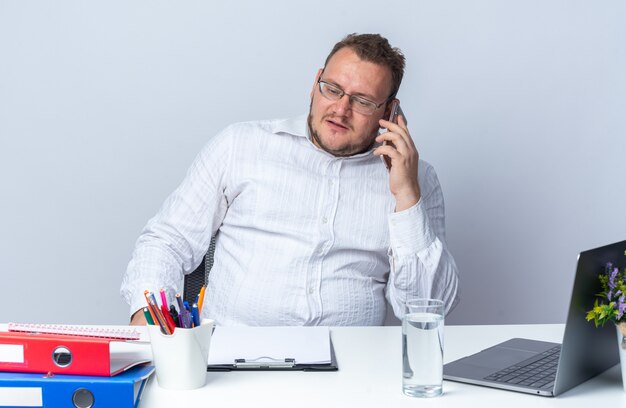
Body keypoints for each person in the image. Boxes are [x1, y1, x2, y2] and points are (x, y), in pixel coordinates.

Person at [121, 33, 459, 326]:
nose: (340, 110)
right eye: (332, 89)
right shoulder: (240, 145)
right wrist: (148, 319)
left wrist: (407, 197)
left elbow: (428, 310)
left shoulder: (417, 179)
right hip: (231, 359)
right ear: (315, 84)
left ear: (389, 112)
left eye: (362, 101)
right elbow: (166, 241)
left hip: (354, 370)